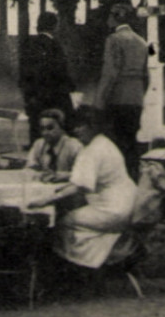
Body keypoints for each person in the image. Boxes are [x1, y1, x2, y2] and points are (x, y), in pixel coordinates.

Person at [28, 106, 138, 271]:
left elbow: (79, 188)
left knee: (62, 222)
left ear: (94, 127)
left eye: (83, 126)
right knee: (72, 215)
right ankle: (96, 257)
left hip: (112, 211)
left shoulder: (91, 152)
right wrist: (61, 188)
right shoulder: (105, 143)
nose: (77, 130)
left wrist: (45, 200)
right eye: (76, 126)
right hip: (129, 203)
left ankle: (81, 265)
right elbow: (82, 182)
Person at [95, 3, 150, 180]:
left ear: (115, 17)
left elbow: (110, 73)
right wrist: (140, 93)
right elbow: (147, 75)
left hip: (117, 99)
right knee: (131, 142)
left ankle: (119, 183)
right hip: (136, 99)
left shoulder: (113, 40)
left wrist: (99, 101)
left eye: (109, 16)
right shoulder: (142, 42)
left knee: (116, 144)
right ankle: (134, 179)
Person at [18, 11, 76, 145]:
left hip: (34, 96)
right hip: (54, 96)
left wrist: (27, 96)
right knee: (61, 128)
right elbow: (60, 72)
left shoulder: (28, 44)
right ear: (54, 26)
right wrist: (71, 86)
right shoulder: (54, 46)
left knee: (37, 131)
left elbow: (23, 74)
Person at [27, 108, 81, 182]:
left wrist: (65, 176)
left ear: (61, 127)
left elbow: (83, 174)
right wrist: (38, 174)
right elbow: (29, 168)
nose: (45, 133)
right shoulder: (39, 144)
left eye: (50, 128)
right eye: (42, 129)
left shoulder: (74, 146)